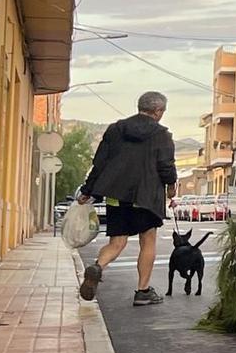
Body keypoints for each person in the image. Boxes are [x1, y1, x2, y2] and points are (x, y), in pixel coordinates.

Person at [76, 90, 178, 306]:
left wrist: (88, 190)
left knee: (117, 242)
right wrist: (171, 187)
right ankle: (142, 291)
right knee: (148, 240)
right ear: (158, 111)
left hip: (117, 194)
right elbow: (166, 165)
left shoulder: (115, 129)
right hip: (146, 196)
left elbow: (100, 162)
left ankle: (98, 266)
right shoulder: (162, 135)